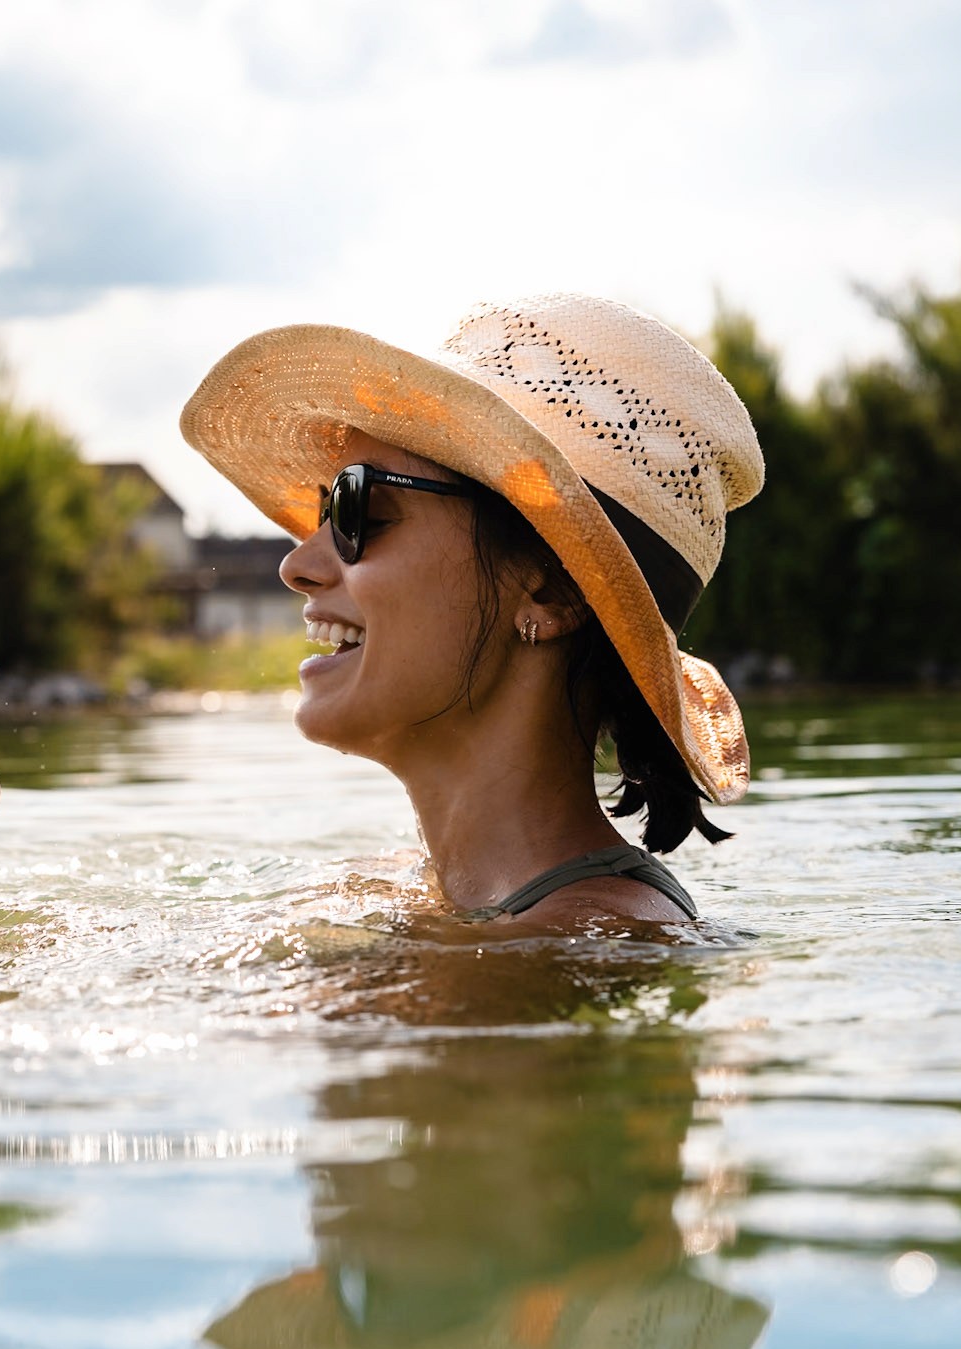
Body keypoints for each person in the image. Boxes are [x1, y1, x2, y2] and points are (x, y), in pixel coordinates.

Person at [179, 294, 764, 925]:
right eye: (325, 509)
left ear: (552, 593)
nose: (296, 566)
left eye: (358, 511)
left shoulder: (588, 936)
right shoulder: (403, 892)